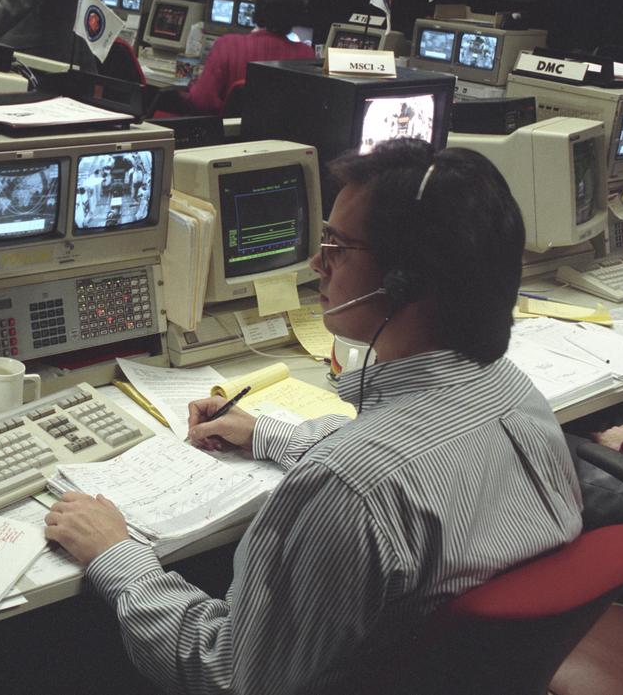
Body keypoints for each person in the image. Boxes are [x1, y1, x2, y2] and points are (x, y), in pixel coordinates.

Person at [45, 139, 582, 695]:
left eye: (339, 246)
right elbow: (411, 469)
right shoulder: (516, 396)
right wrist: (267, 434)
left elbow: (228, 674)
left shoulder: (347, 487)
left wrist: (118, 555)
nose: (316, 262)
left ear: (405, 282)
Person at [180, 0, 314, 114]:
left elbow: (202, 100)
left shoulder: (227, 45)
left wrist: (194, 86)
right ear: (298, 15)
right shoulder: (306, 55)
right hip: (281, 134)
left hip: (230, 133)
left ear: (260, 9)